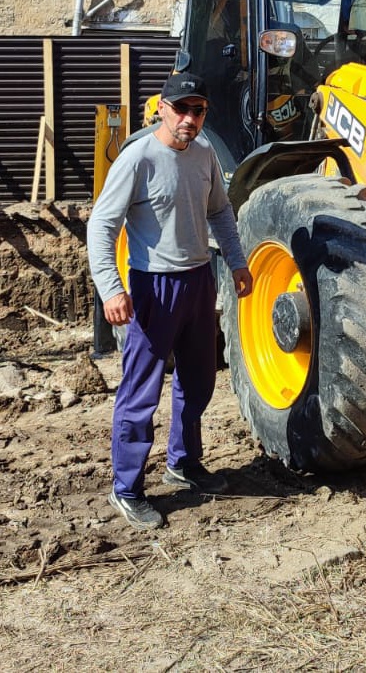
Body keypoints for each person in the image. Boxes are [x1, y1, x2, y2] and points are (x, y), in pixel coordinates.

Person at [87, 73, 253, 531]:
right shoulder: (137, 157)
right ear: (161, 108)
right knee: (141, 392)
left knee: (198, 381)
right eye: (181, 108)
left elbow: (219, 210)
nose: (189, 118)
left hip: (199, 281)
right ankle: (127, 488)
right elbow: (101, 226)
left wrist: (236, 263)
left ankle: (184, 462)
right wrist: (111, 287)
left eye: (198, 110)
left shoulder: (204, 156)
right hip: (152, 289)